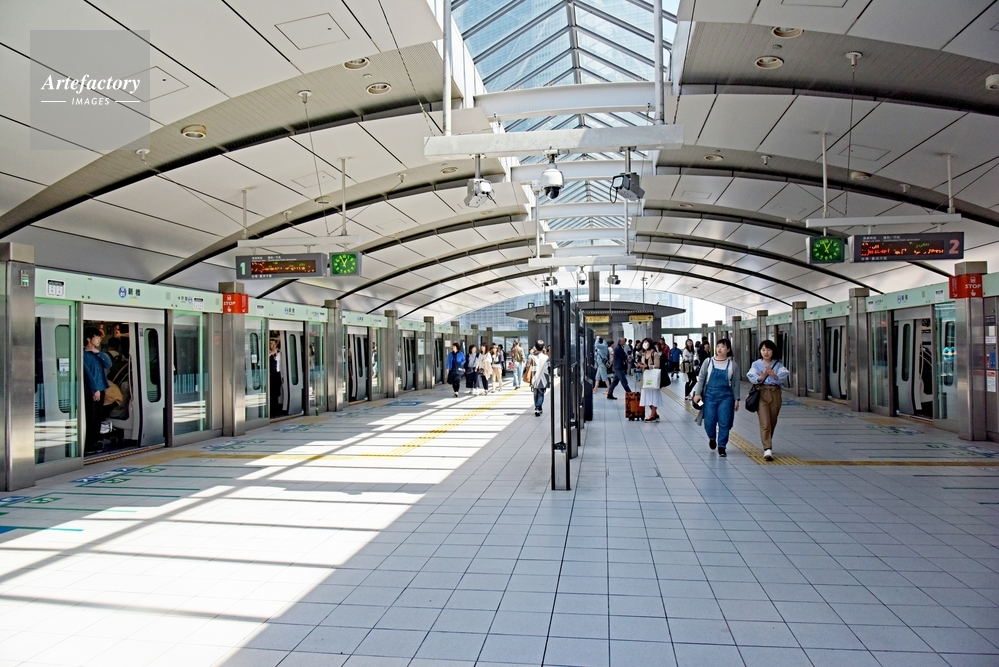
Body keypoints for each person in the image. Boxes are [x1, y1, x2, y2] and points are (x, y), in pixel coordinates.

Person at [692, 338, 741, 458]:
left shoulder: (733, 365)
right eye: (718, 346)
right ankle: (712, 438)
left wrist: (736, 399)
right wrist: (697, 394)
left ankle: (722, 446)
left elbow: (736, 384)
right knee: (709, 421)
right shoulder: (708, 362)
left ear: (728, 349)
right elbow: (701, 378)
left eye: (723, 347)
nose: (719, 349)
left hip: (726, 397)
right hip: (709, 396)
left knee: (725, 421)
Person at [746, 340, 790, 462]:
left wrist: (774, 375)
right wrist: (763, 376)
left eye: (768, 350)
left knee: (772, 420)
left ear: (773, 351)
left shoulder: (778, 365)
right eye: (763, 350)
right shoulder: (756, 364)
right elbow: (752, 377)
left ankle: (768, 441)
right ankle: (767, 448)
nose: (766, 352)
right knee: (765, 422)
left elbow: (783, 377)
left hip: (775, 393)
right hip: (762, 393)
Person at [83, 326, 112, 453]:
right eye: (97, 338)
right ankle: (89, 445)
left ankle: (95, 442)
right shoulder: (83, 354)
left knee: (98, 417)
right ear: (89, 339)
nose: (99, 340)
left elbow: (109, 364)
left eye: (100, 338)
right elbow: (87, 373)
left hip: (101, 389)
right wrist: (95, 389)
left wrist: (98, 353)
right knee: (91, 417)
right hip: (91, 390)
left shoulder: (98, 354)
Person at [636, 338, 663, 422]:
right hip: (646, 377)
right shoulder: (643, 354)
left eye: (646, 342)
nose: (645, 344)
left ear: (650, 343)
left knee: (653, 396)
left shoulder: (655, 354)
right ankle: (655, 414)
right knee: (646, 396)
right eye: (644, 342)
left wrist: (647, 366)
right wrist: (639, 366)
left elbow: (657, 365)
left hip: (653, 378)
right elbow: (643, 365)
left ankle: (652, 415)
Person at [528, 340, 550, 416]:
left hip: (534, 377)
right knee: (541, 393)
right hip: (543, 378)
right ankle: (538, 407)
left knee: (535, 393)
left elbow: (527, 366)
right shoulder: (546, 357)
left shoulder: (532, 357)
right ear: (543, 347)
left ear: (535, 347)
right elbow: (549, 367)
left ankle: (537, 407)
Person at [269, 338, 285, 416]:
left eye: (274, 344)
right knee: (271, 393)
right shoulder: (268, 353)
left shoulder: (279, 354)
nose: (273, 345)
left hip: (277, 374)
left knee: (276, 393)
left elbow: (281, 365)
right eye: (271, 344)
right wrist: (271, 353)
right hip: (270, 375)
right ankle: (271, 410)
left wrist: (282, 376)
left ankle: (275, 410)